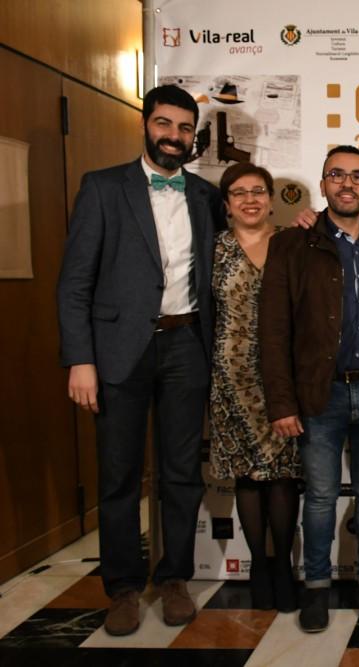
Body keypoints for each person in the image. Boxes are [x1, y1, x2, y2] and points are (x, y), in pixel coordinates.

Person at [57, 84, 223, 636]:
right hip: (117, 351)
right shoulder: (102, 187)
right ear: (145, 124)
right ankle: (123, 588)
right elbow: (74, 283)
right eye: (164, 124)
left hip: (187, 345)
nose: (173, 136)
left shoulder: (206, 196)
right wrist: (80, 359)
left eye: (184, 127)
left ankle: (174, 579)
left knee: (181, 474)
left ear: (193, 135)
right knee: (119, 475)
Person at [258, 146, 359, 632]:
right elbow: (273, 330)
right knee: (320, 496)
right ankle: (317, 586)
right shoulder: (291, 244)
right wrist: (281, 402)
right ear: (322, 185)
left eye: (358, 176)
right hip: (321, 393)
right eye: (336, 175)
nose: (348, 183)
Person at [209, 162, 301, 612]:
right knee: (247, 474)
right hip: (231, 379)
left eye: (258, 191)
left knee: (283, 474)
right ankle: (258, 567)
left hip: (282, 377)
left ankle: (282, 566)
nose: (250, 200)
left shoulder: (292, 243)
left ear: (270, 198)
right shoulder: (214, 249)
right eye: (240, 193)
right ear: (227, 204)